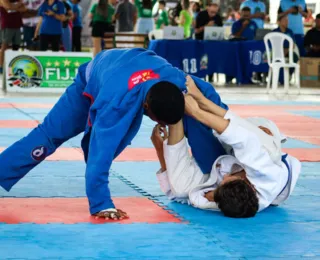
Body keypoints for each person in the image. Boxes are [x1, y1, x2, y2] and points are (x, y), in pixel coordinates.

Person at [0, 48, 228, 220]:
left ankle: (216, 171)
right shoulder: (116, 104)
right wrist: (102, 204)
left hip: (126, 68)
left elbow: (207, 97)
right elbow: (101, 151)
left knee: (197, 113)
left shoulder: (180, 83)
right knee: (48, 137)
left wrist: (233, 138)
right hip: (92, 84)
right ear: (146, 108)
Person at [152, 76, 301, 218]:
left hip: (230, 155)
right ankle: (198, 94)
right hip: (261, 136)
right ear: (251, 186)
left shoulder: (224, 201)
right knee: (261, 144)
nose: (226, 175)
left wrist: (160, 149)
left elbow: (176, 194)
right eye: (233, 177)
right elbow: (241, 135)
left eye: (223, 181)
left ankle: (175, 115)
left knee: (181, 188)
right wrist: (198, 108)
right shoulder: (267, 174)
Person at [0, 0, 27, 73]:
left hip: (17, 25)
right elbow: (7, 7)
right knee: (4, 46)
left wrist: (13, 7)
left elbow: (24, 9)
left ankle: (14, 65)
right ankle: (1, 66)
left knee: (16, 46)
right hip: (7, 25)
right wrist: (18, 6)